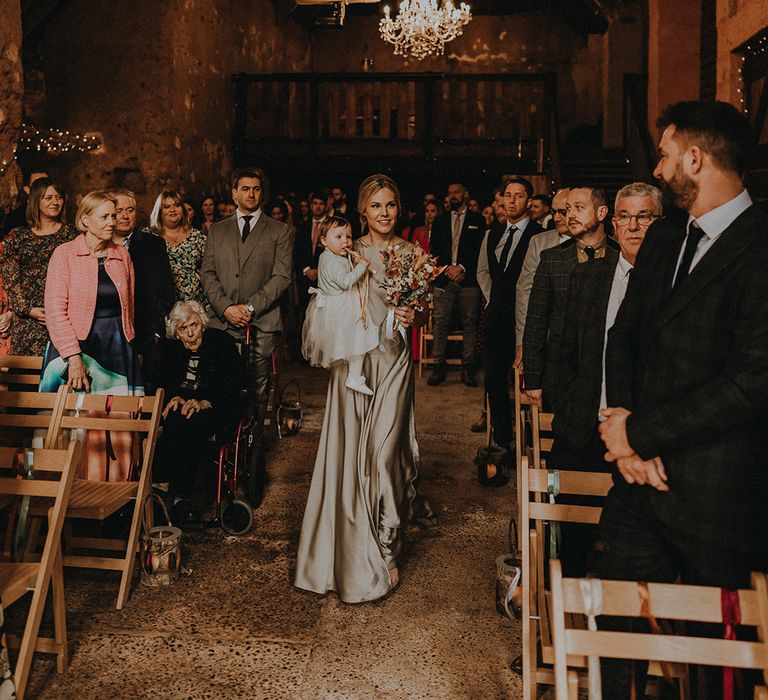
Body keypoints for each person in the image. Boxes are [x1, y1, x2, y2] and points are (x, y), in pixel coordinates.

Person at [599, 101, 768, 698]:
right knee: (612, 640)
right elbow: (622, 340)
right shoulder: (667, 237)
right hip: (636, 487)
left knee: (716, 668)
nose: (661, 166)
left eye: (667, 155)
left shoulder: (762, 245)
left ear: (695, 158)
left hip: (717, 497)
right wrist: (623, 442)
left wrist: (641, 435)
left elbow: (750, 382)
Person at [295, 174, 434, 603]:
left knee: (386, 449)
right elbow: (327, 300)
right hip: (355, 364)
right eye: (376, 206)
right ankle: (349, 552)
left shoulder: (413, 253)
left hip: (392, 361)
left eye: (391, 204)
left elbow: (425, 310)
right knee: (350, 450)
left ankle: (386, 544)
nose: (385, 213)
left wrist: (416, 314)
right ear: (363, 211)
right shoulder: (346, 251)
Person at [547, 182, 661, 577]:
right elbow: (566, 352)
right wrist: (566, 408)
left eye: (644, 216)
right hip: (583, 426)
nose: (633, 226)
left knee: (628, 545)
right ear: (612, 224)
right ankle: (567, 615)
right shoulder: (588, 277)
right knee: (568, 541)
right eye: (624, 216)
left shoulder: (672, 285)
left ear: (659, 223)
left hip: (638, 436)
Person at [41, 190, 142, 481]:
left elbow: (130, 305)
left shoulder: (121, 254)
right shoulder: (64, 255)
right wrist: (73, 357)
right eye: (106, 216)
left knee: (117, 427)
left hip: (117, 348)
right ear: (85, 220)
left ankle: (115, 493)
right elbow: (55, 310)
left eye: (114, 215)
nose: (114, 221)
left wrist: (130, 343)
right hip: (76, 348)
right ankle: (71, 494)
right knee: (77, 425)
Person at [200, 167, 292, 442]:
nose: (251, 194)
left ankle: (254, 446)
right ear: (234, 193)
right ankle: (225, 439)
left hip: (261, 321)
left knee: (257, 385)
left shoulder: (278, 230)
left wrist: (251, 308)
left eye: (256, 189)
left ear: (261, 193)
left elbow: (282, 276)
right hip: (223, 321)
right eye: (245, 189)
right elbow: (207, 273)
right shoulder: (218, 230)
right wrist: (226, 308)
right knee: (223, 382)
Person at [523, 186, 618, 409]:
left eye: (579, 208)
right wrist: (534, 380)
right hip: (562, 375)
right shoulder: (552, 259)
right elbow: (536, 322)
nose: (570, 215)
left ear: (602, 213)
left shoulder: (620, 255)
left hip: (610, 375)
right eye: (567, 209)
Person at [150, 300, 243, 511]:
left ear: (202, 323)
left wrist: (205, 401)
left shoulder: (221, 343)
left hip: (215, 408)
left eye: (194, 325)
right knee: (175, 416)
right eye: (183, 328)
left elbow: (235, 381)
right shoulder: (169, 349)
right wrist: (172, 397)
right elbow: (158, 381)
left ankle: (178, 490)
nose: (191, 333)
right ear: (176, 332)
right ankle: (175, 491)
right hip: (182, 412)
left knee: (190, 422)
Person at [476, 177, 542, 451]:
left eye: (519, 195)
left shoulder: (539, 235)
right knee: (494, 379)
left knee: (531, 383)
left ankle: (533, 439)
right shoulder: (492, 232)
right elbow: (482, 271)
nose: (512, 200)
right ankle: (503, 439)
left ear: (529, 201)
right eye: (508, 195)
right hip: (496, 318)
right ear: (502, 199)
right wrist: (495, 299)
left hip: (527, 318)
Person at [0, 177, 77, 356]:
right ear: (36, 201)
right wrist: (28, 309)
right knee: (25, 377)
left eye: (58, 197)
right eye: (48, 197)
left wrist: (60, 310)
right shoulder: (19, 237)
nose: (55, 202)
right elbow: (10, 278)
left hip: (63, 315)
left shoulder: (72, 234)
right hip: (28, 319)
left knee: (62, 374)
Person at [302, 217, 379, 395]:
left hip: (342, 303)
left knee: (357, 338)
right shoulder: (329, 259)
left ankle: (354, 375)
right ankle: (354, 377)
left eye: (349, 237)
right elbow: (345, 282)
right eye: (338, 237)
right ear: (324, 241)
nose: (346, 241)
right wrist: (361, 267)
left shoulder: (335, 256)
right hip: (341, 307)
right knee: (359, 336)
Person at [427, 182, 485, 387]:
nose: (452, 196)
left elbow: (480, 251)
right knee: (440, 321)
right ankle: (438, 365)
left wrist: (461, 267)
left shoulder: (478, 220)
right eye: (449, 193)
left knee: (470, 322)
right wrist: (447, 270)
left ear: (465, 195)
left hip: (468, 279)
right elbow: (433, 251)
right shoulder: (440, 220)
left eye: (456, 192)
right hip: (444, 278)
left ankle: (468, 368)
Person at [111, 188, 175, 362]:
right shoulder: (99, 246)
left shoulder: (154, 245)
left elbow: (166, 289)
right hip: (109, 330)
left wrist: (156, 330)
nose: (125, 216)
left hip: (145, 333)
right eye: (119, 211)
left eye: (130, 210)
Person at [514, 188, 571, 364]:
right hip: (546, 336)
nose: (557, 218)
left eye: (563, 212)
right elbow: (524, 290)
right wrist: (523, 339)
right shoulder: (539, 242)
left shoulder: (603, 246)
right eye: (554, 212)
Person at [147, 190, 207, 306]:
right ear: (159, 211)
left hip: (194, 305)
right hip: (160, 305)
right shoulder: (147, 236)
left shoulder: (198, 237)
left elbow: (209, 272)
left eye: (177, 205)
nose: (172, 210)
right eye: (167, 207)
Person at [1, 169, 48, 237]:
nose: (44, 189)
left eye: (46, 184)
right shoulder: (15, 218)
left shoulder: (56, 211)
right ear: (27, 189)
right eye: (37, 185)